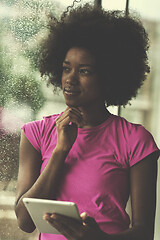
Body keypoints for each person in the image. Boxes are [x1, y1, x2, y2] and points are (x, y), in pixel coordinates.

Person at [15, 3, 160, 240]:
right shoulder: (36, 133)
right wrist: (60, 150)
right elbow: (24, 221)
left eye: (84, 71)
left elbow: (144, 233)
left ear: (109, 76)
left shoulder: (135, 140)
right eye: (65, 68)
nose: (70, 79)